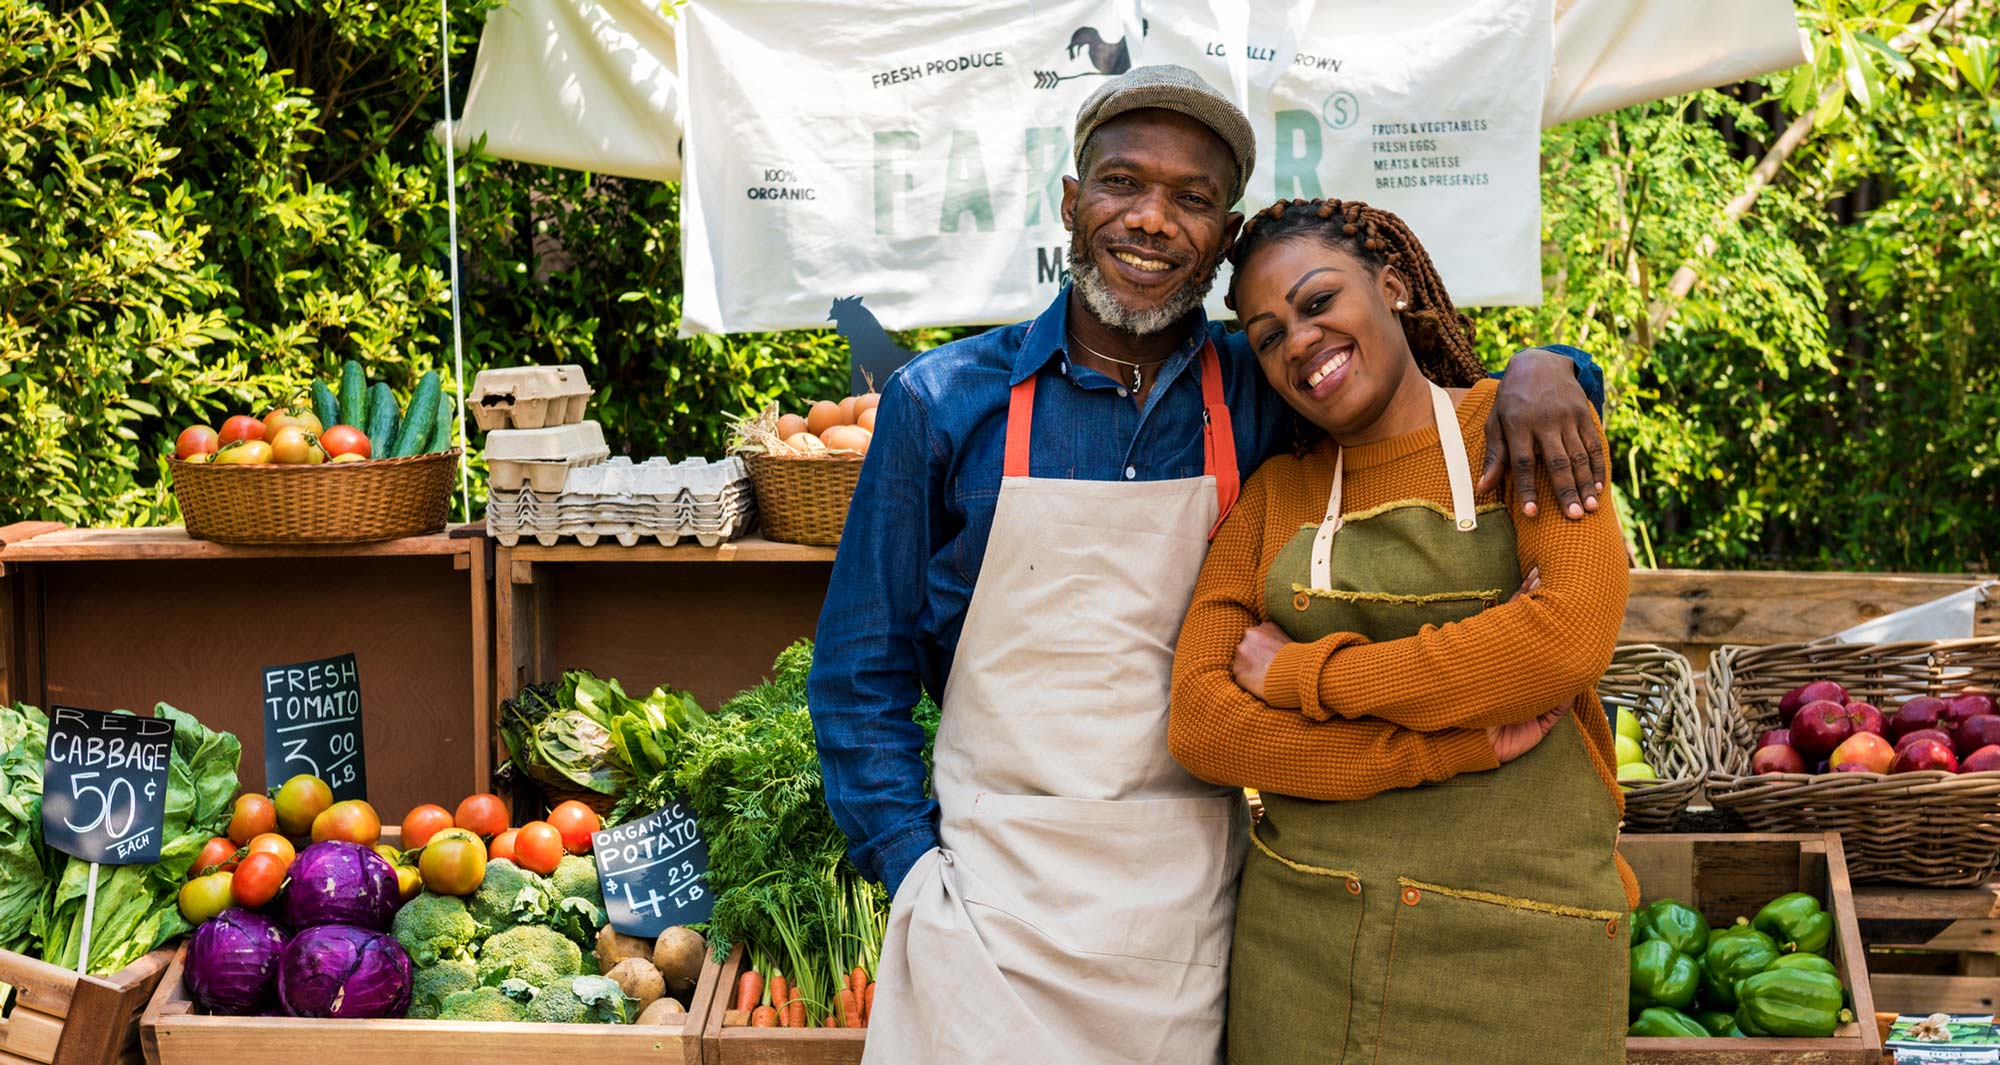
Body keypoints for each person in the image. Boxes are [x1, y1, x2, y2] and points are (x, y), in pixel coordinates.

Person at [807, 65, 1607, 1065]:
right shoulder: (943, 403)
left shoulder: (1266, 379)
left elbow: (1424, 394)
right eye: (1120, 184)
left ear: (1223, 238)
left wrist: (1553, 369)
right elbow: (855, 673)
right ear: (1070, 201)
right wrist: (910, 866)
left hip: (1193, 905)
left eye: (1190, 199)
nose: (1151, 220)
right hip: (988, 901)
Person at [1167, 196, 1635, 1065]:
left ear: (1393, 286)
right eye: (1267, 336)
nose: (1298, 342)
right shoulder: (1275, 497)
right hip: (1303, 951)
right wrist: (1440, 747)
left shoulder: (1527, 432)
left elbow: (1562, 641)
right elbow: (1201, 722)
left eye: (1317, 303)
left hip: (1516, 956)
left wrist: (1305, 679)